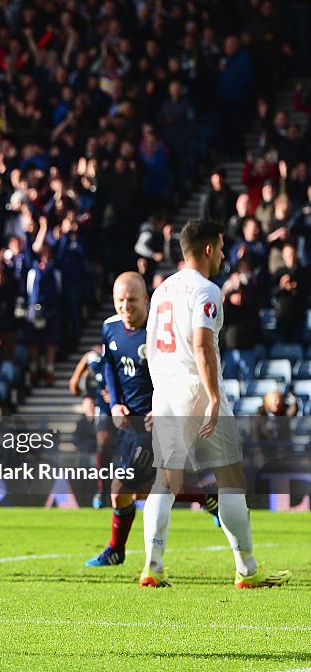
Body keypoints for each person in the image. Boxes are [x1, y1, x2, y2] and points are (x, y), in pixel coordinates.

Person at [143, 219, 291, 588]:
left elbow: (151, 350)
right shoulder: (207, 290)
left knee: (166, 479)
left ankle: (152, 566)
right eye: (222, 247)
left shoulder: (160, 291)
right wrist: (212, 397)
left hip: (166, 392)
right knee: (231, 480)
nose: (224, 254)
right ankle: (247, 569)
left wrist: (158, 396)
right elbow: (202, 345)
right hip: (198, 387)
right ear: (208, 249)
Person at [84, 272, 218, 568]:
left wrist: (164, 406)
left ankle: (116, 551)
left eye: (132, 300)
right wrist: (116, 403)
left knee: (121, 489)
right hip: (127, 424)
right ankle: (206, 497)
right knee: (137, 491)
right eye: (120, 300)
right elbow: (110, 366)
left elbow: (184, 372)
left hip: (155, 422)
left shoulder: (160, 332)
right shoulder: (110, 327)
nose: (125, 306)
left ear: (146, 299)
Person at [69, 345, 113, 509]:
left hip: (125, 403)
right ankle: (102, 490)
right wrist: (86, 396)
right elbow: (73, 385)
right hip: (102, 408)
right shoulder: (91, 359)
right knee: (103, 440)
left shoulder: (120, 357)